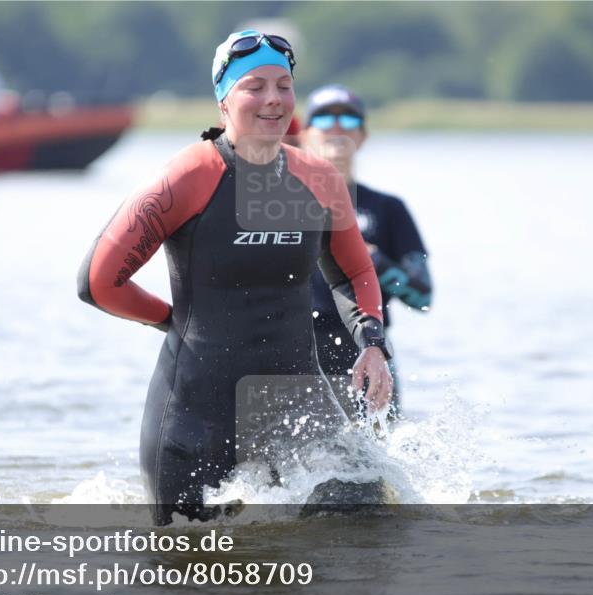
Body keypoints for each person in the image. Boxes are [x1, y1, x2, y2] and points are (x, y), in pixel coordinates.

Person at [77, 30, 392, 525]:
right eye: (254, 86)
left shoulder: (318, 179)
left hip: (297, 410)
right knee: (194, 572)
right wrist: (169, 320)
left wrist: (371, 343)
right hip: (195, 416)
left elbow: (353, 271)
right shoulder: (185, 178)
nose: (273, 99)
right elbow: (98, 281)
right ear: (223, 100)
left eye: (284, 85)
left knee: (369, 536)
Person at [303, 85, 432, 420]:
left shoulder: (388, 209)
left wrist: (373, 261)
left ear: (362, 137)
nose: (336, 127)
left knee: (376, 468)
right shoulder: (275, 207)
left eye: (348, 118)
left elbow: (422, 297)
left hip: (366, 352)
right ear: (304, 135)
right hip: (297, 354)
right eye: (323, 118)